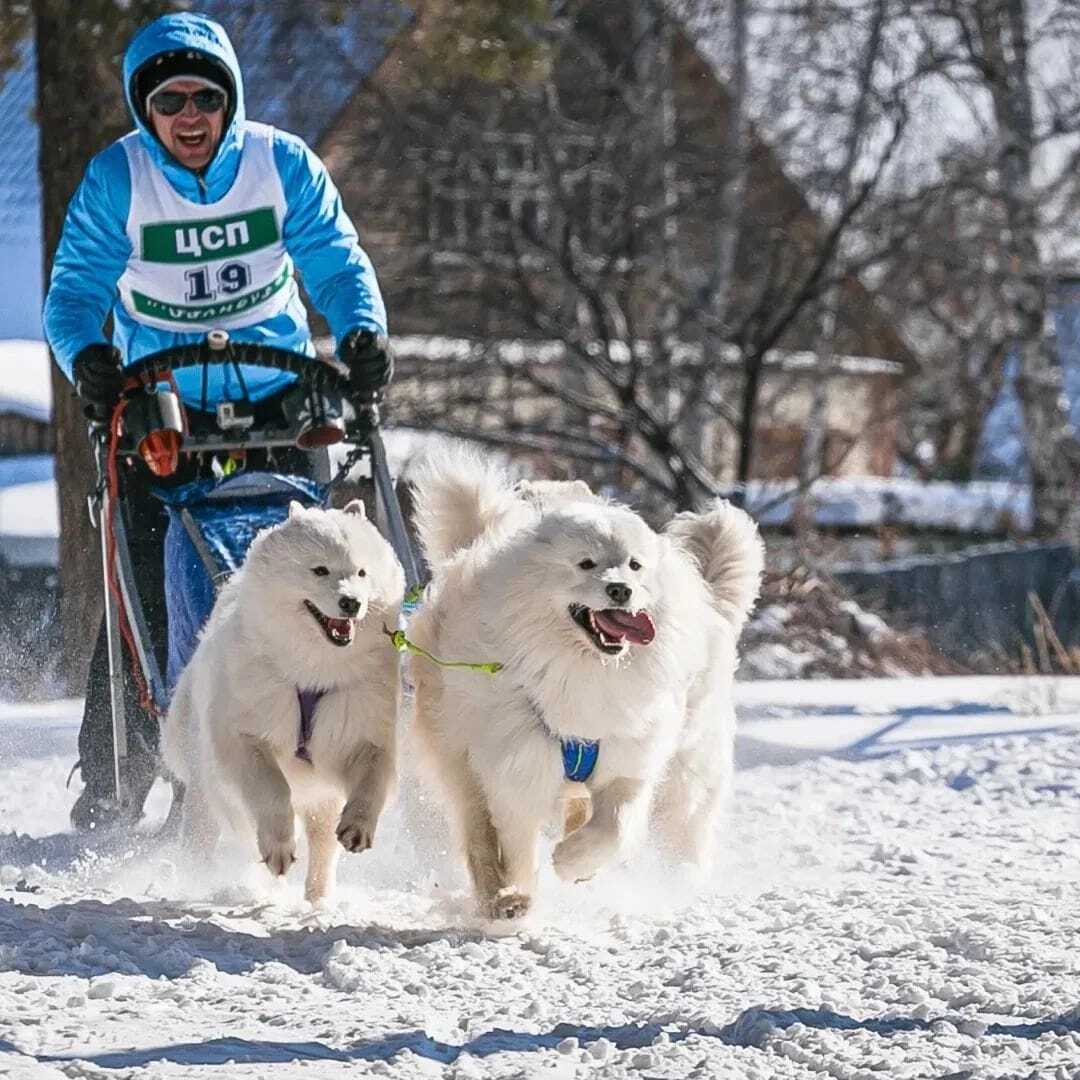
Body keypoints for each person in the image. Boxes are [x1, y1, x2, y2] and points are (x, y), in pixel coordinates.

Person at [43, 11, 393, 831]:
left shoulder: (280, 165)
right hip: (161, 405)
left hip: (277, 392)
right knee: (143, 587)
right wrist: (87, 358)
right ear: (146, 111)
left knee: (308, 579)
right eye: (171, 102)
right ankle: (115, 780)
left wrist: (362, 333)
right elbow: (76, 290)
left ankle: (321, 755)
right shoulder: (117, 178)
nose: (190, 117)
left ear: (230, 101)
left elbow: (336, 261)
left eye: (205, 97)